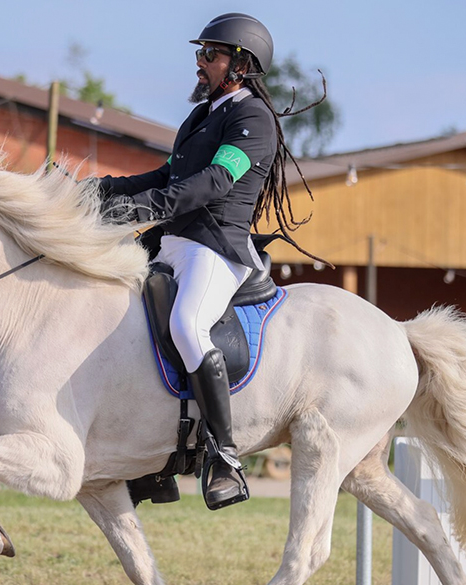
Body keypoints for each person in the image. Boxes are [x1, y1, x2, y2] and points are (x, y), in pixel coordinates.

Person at [97, 13, 299, 509]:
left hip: (216, 247)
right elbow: (167, 173)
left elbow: (215, 181)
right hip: (173, 243)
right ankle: (157, 460)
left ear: (241, 65)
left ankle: (224, 456)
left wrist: (149, 209)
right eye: (200, 52)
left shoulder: (252, 119)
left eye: (211, 53)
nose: (199, 61)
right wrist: (101, 190)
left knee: (188, 326)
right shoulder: (202, 115)